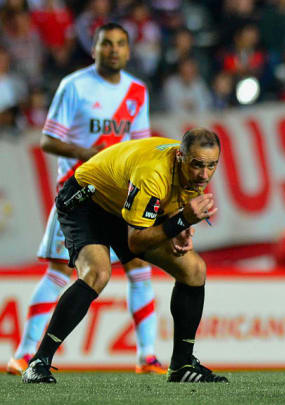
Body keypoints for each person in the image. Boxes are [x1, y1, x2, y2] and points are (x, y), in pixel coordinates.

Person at [7, 22, 164, 376]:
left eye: (120, 44)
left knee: (139, 266)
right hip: (79, 191)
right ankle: (23, 353)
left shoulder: (137, 91)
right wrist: (87, 152)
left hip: (119, 194)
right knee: (61, 271)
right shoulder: (74, 86)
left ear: (128, 50)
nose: (113, 50)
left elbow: (140, 145)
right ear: (93, 49)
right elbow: (48, 139)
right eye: (106, 43)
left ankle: (147, 356)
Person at [22, 129, 227, 384]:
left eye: (212, 165)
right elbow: (136, 242)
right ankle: (38, 362)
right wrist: (181, 221)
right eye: (198, 165)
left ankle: (182, 365)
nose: (204, 174)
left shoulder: (193, 164)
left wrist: (180, 227)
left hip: (125, 208)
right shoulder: (153, 173)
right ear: (180, 156)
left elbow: (171, 199)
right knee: (97, 273)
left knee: (194, 270)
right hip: (87, 201)